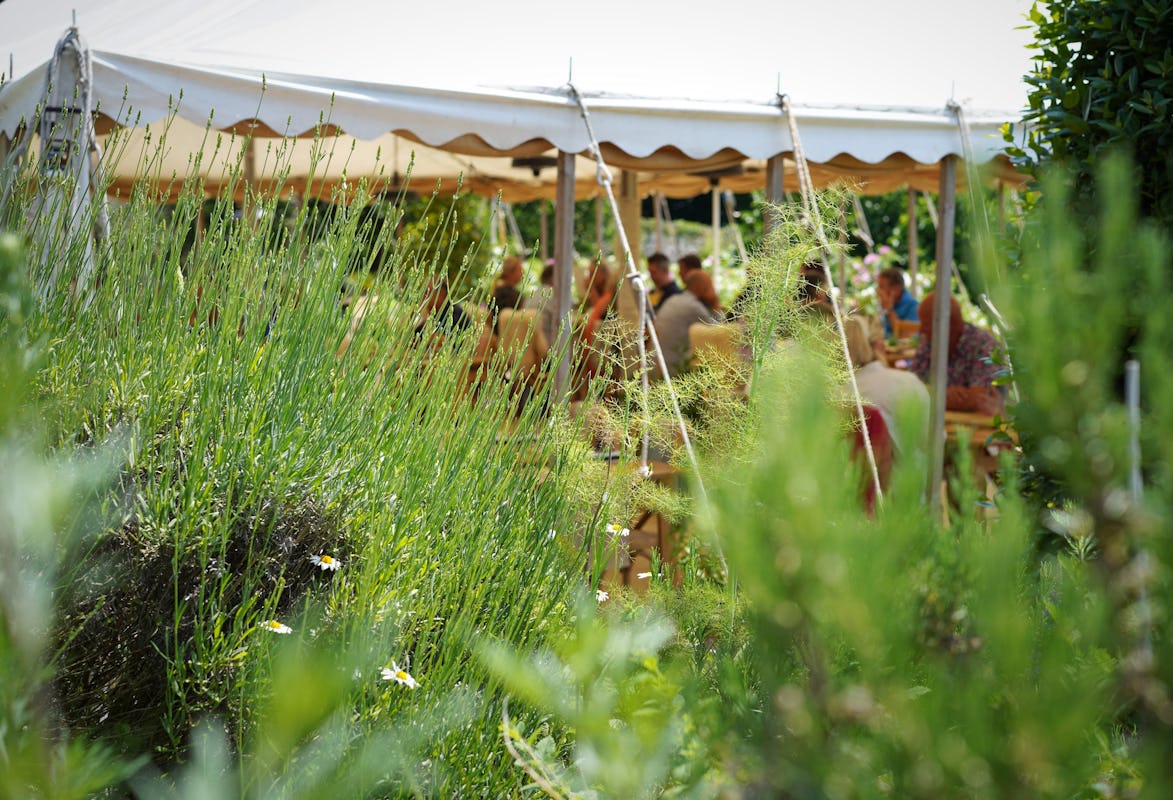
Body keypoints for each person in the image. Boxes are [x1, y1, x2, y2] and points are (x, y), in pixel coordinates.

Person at [843, 316, 929, 455]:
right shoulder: (907, 384)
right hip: (906, 474)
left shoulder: (835, 393)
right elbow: (930, 441)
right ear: (879, 344)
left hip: (852, 475)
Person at [909, 292, 1005, 414]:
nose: (921, 330)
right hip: (939, 423)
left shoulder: (983, 344)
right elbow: (910, 388)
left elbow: (981, 399)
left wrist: (933, 395)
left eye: (926, 324)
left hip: (979, 427)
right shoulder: (929, 343)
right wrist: (943, 394)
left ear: (949, 324)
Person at [653, 269, 722, 377]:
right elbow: (718, 331)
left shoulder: (673, 299)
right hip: (672, 370)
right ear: (701, 287)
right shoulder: (694, 307)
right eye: (709, 285)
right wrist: (715, 304)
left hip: (655, 363)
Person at [876, 267, 919, 339]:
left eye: (881, 287)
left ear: (896, 288)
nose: (878, 292)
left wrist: (889, 310)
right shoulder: (889, 304)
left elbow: (906, 336)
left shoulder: (914, 307)